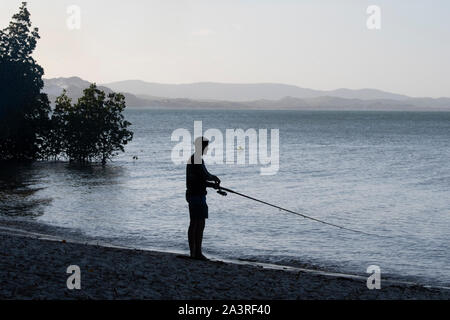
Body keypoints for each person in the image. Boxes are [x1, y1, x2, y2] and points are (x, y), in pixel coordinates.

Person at [186, 137, 221, 260]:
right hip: (195, 195)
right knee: (196, 223)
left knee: (199, 223)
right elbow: (204, 176)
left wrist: (212, 184)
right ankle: (195, 253)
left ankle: (196, 252)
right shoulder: (195, 159)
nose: (207, 148)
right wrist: (214, 178)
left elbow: (201, 180)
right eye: (206, 146)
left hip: (198, 195)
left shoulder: (197, 159)